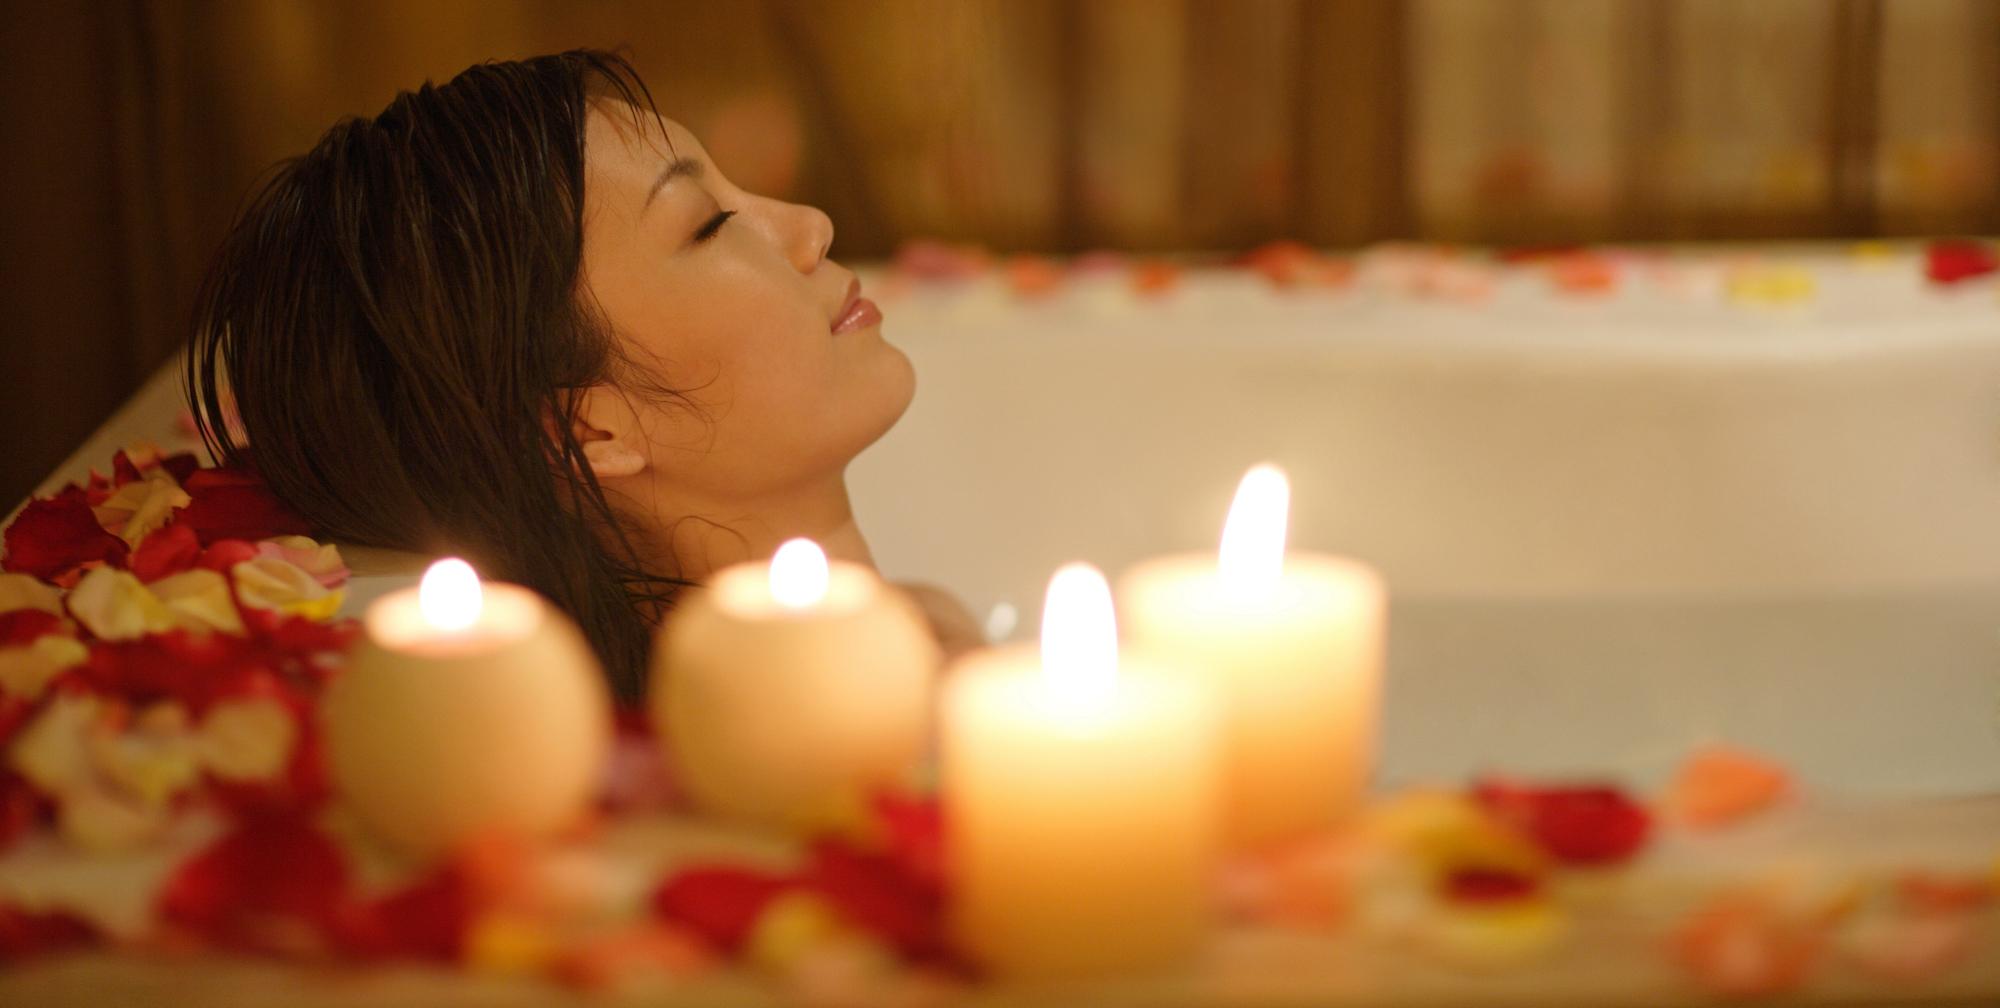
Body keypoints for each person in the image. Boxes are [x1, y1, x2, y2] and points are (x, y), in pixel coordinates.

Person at [186, 50, 979, 700]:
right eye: (709, 225)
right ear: (587, 428)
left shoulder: (919, 643)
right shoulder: (763, 749)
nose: (812, 227)